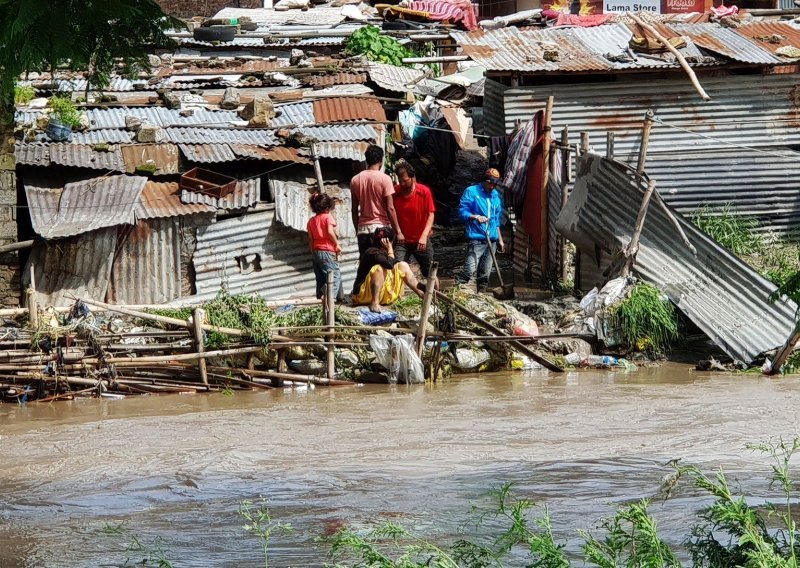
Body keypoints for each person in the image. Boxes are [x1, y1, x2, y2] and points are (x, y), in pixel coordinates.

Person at [350, 144, 403, 294]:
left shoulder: (355, 180)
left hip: (363, 230)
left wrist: (357, 228)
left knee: (365, 265)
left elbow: (354, 209)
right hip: (381, 229)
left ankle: (361, 295)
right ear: (380, 161)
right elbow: (390, 208)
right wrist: (398, 231)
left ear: (366, 160)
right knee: (383, 264)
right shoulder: (385, 179)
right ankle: (379, 296)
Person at [455, 167, 506, 292]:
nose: (492, 187)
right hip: (476, 237)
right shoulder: (472, 192)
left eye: (494, 184)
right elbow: (462, 212)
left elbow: (496, 220)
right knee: (469, 270)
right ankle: (455, 293)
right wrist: (475, 217)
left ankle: (481, 296)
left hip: (492, 239)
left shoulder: (495, 197)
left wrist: (500, 239)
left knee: (485, 273)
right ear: (485, 180)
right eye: (490, 183)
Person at [352, 227, 425, 313]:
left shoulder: (385, 254)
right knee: (378, 269)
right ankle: (375, 303)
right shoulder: (372, 252)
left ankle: (422, 294)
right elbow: (389, 265)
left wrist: (390, 252)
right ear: (387, 242)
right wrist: (390, 249)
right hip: (363, 296)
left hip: (383, 296)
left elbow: (394, 266)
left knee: (403, 265)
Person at [392, 160, 436, 280]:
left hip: (421, 240)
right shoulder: (395, 192)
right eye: (400, 181)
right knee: (397, 269)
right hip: (402, 241)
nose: (402, 184)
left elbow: (431, 215)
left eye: (405, 181)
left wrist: (424, 235)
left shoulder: (424, 192)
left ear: (412, 177)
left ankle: (435, 296)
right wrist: (397, 232)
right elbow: (390, 213)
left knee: (430, 272)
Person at [307, 193, 342, 301]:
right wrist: (337, 244)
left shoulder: (311, 221)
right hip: (327, 251)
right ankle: (328, 299)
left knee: (321, 277)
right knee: (335, 276)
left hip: (316, 251)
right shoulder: (328, 217)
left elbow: (310, 239)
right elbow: (330, 232)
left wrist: (313, 252)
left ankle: (321, 297)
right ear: (327, 207)